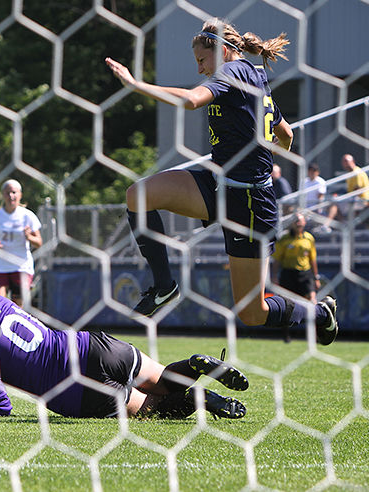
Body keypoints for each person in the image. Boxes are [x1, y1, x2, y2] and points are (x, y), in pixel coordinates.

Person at [105, 18, 338, 345]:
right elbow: (286, 134)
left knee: (252, 313)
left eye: (201, 60)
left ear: (224, 50)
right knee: (138, 195)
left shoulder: (232, 72)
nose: (200, 69)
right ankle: (164, 286)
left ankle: (319, 315)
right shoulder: (254, 75)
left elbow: (190, 100)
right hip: (219, 184)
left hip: (250, 204)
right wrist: (263, 145)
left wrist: (134, 84)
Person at [0, 257, 248, 419]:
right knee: (163, 378)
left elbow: (0, 406)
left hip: (76, 390)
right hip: (93, 346)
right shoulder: (3, 302)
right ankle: (195, 364)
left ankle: (204, 400)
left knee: (158, 409)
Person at [0, 179, 42, 307]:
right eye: (7, 192)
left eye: (14, 192)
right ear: (3, 195)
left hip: (21, 265)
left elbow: (39, 243)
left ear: (20, 194)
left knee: (17, 307)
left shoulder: (28, 216)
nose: (11, 196)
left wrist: (29, 237)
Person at [272, 212, 320, 307]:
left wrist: (316, 278)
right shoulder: (284, 239)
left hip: (305, 273)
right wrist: (274, 276)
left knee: (312, 299)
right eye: (295, 221)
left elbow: (312, 259)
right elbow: (277, 259)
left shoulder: (309, 238)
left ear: (304, 222)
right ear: (291, 223)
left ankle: (315, 319)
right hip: (288, 273)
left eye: (300, 221)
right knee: (286, 302)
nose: (298, 223)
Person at [319, 154, 369, 231]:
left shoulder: (356, 172)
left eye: (347, 161)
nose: (345, 164)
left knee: (334, 204)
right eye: (343, 162)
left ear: (353, 161)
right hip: (353, 199)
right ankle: (343, 223)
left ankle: (327, 225)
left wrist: (342, 198)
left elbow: (357, 191)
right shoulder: (349, 174)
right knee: (334, 202)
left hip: (361, 200)